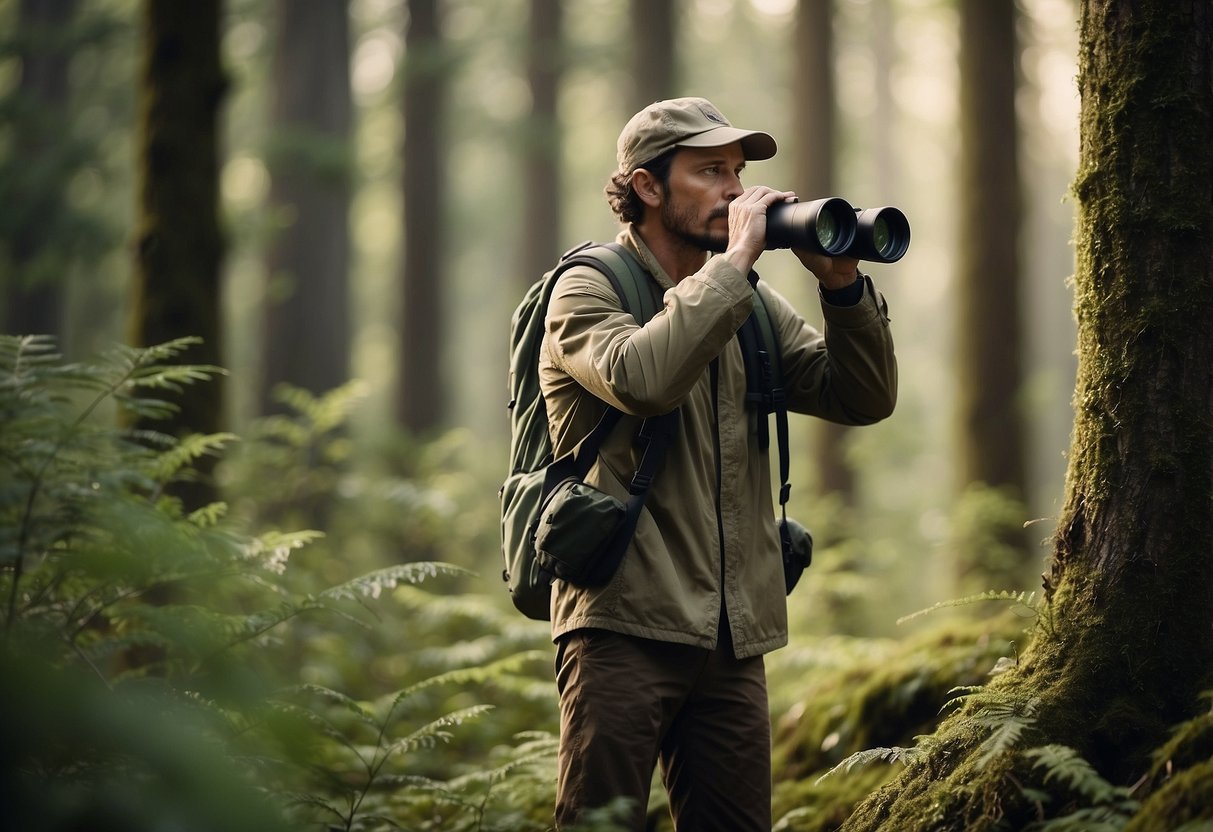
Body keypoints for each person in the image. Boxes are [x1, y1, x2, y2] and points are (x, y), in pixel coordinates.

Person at [539, 96, 898, 831]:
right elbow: (641, 379)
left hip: (730, 638)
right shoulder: (589, 286)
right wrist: (733, 265)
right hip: (620, 624)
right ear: (647, 186)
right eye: (710, 172)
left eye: (738, 171)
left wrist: (841, 286)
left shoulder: (750, 306)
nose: (737, 190)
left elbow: (861, 396)